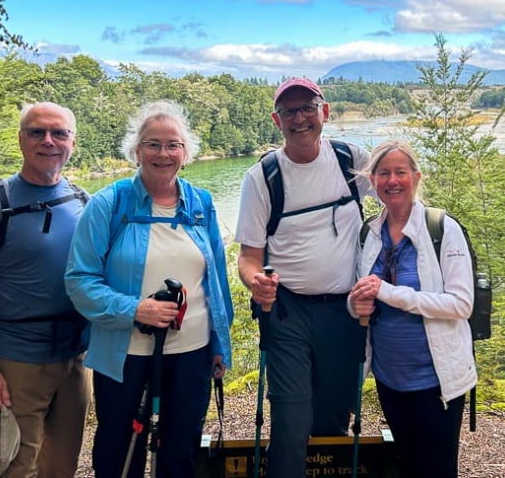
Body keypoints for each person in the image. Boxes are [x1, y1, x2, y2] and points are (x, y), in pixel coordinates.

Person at [65, 99, 233, 478]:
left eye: (173, 144)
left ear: (185, 152)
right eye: (153, 144)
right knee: (120, 446)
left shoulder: (201, 204)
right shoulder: (110, 203)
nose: (163, 153)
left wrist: (219, 344)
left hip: (191, 351)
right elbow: (79, 280)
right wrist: (134, 309)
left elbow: (217, 281)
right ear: (137, 150)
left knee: (181, 445)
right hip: (125, 353)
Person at [235, 77, 373, 477]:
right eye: (289, 111)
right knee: (292, 416)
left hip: (344, 310)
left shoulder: (351, 158)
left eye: (307, 108)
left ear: (324, 112)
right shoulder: (262, 177)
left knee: (333, 415)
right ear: (277, 121)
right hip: (287, 311)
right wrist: (255, 280)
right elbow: (249, 257)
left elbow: (397, 199)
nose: (300, 118)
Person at [0, 102, 91, 477]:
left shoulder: (84, 203)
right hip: (15, 362)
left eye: (59, 133)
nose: (48, 141)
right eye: (37, 132)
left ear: (73, 141)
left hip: (75, 359)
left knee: (62, 466)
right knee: (12, 466)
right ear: (21, 139)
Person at [349, 140, 476, 478]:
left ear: (416, 177)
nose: (393, 181)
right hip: (390, 379)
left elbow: (461, 305)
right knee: (407, 464)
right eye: (384, 173)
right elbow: (362, 299)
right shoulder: (369, 234)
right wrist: (355, 302)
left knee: (437, 469)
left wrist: (389, 292)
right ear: (372, 181)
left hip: (436, 382)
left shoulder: (442, 229)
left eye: (400, 172)